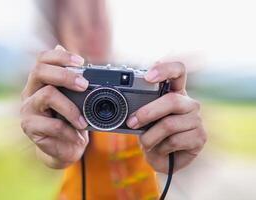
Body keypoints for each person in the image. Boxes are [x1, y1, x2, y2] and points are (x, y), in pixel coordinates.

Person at [20, 0, 207, 199]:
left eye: (97, 22)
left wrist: (174, 153)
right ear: (58, 29)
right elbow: (42, 147)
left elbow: (185, 156)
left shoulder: (152, 79)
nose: (92, 35)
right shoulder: (53, 85)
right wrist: (52, 150)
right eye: (78, 28)